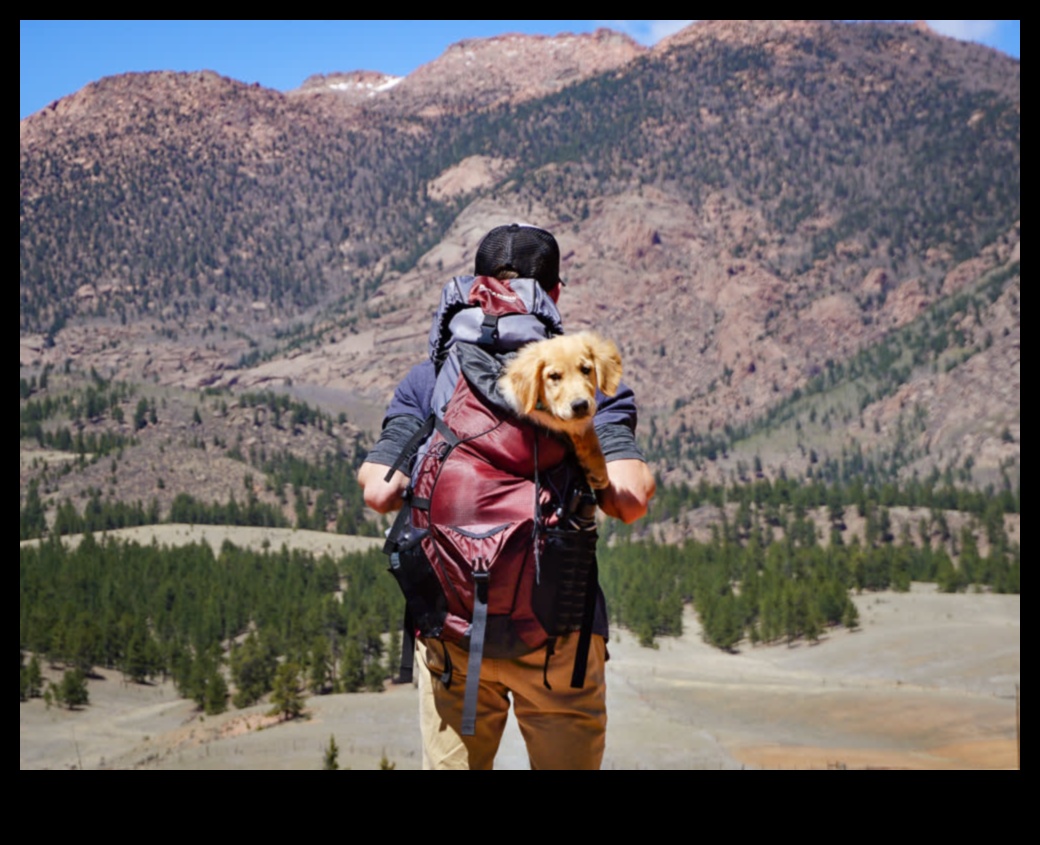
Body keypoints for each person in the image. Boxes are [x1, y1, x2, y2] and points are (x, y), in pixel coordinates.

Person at [357, 223, 655, 769]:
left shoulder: (429, 381)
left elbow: (379, 490)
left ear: (476, 289)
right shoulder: (587, 386)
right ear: (554, 294)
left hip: (453, 634)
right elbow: (630, 499)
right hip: (558, 635)